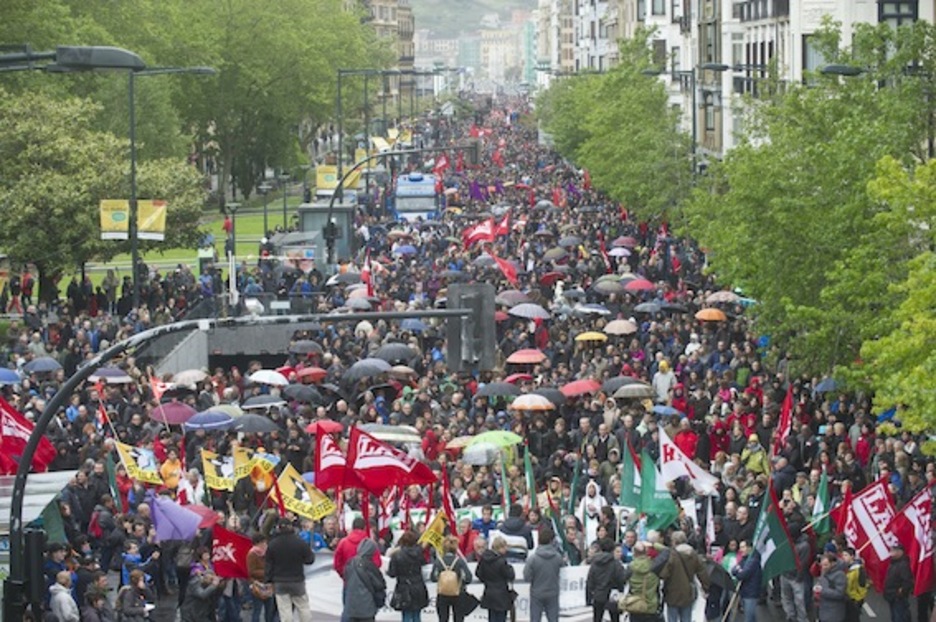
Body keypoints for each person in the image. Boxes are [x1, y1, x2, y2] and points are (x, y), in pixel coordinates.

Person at [266, 518, 315, 622]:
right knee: (303, 607)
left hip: (279, 581)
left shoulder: (273, 544)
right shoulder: (300, 542)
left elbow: (268, 565)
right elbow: (310, 560)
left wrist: (268, 581)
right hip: (297, 580)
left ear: (278, 528)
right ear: (291, 527)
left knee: (285, 610)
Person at [336, 516, 383, 620]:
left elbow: (337, 563)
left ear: (352, 527)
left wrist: (345, 576)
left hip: (349, 583)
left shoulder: (343, 542)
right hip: (367, 584)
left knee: (348, 611)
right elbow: (377, 563)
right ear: (364, 527)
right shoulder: (370, 543)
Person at [661, 531, 709, 622]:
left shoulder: (672, 555)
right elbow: (702, 572)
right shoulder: (693, 554)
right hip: (688, 591)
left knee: (672, 618)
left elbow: (664, 574)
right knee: (686, 618)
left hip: (672, 592)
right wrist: (706, 586)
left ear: (674, 541)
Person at [524, 526, 565, 622]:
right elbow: (563, 571)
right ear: (552, 541)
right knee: (553, 619)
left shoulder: (532, 559)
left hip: (537, 592)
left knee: (535, 618)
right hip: (553, 591)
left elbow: (527, 577)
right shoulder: (558, 558)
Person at [387, 530, 430, 622]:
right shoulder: (419, 554)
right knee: (417, 615)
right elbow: (425, 563)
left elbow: (392, 573)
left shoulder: (397, 555)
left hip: (404, 587)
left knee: (406, 615)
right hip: (418, 586)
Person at [621, 542, 667, 622]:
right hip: (652, 606)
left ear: (634, 553)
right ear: (646, 552)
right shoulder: (654, 565)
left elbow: (622, 579)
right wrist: (653, 544)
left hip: (635, 605)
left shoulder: (630, 568)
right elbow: (666, 551)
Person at [343, 538, 387, 622]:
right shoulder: (370, 566)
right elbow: (379, 584)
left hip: (351, 606)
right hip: (367, 605)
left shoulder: (350, 563)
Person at [431, 535, 473, 622]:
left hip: (442, 594)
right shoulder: (460, 561)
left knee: (443, 619)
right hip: (459, 593)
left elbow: (433, 578)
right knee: (458, 619)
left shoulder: (438, 562)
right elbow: (468, 578)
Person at [476, 536, 516, 622]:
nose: (506, 549)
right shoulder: (501, 561)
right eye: (505, 547)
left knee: (492, 617)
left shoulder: (484, 559)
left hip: (489, 591)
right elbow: (510, 575)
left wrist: (486, 581)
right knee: (501, 618)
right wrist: (510, 568)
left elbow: (478, 573)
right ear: (500, 547)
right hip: (501, 593)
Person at [586, 538, 626, 622]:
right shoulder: (616, 564)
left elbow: (590, 580)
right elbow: (621, 579)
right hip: (612, 595)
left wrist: (589, 598)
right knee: (615, 619)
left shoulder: (595, 563)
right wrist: (621, 591)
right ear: (613, 549)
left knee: (597, 619)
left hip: (598, 594)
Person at [247, 533, 277, 622]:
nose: (265, 544)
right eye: (263, 542)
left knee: (269, 611)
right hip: (257, 585)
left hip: (269, 585)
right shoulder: (252, 554)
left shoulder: (267, 553)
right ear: (258, 543)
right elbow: (251, 571)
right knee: (257, 610)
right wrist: (267, 573)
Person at [731, 541, 762, 622]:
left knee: (749, 618)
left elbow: (742, 575)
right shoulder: (745, 559)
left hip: (750, 593)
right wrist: (739, 570)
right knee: (751, 617)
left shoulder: (753, 561)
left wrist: (739, 571)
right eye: (740, 547)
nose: (741, 550)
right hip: (745, 592)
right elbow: (733, 570)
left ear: (749, 548)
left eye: (743, 547)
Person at [883, 544, 914, 622]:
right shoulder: (893, 563)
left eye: (893, 550)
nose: (891, 552)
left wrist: (901, 592)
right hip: (892, 595)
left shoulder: (903, 565)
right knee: (895, 617)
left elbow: (907, 581)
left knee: (899, 617)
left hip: (898, 597)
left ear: (900, 552)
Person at [815, 552, 847, 622]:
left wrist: (822, 591)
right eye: (822, 565)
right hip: (823, 610)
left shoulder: (840, 575)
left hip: (834, 614)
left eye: (826, 565)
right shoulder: (825, 571)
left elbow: (840, 594)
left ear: (833, 563)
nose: (823, 567)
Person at [841, 547, 868, 622]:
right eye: (843, 555)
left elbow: (863, 585)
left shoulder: (858, 569)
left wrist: (858, 599)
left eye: (846, 555)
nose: (843, 557)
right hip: (846, 599)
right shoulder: (845, 567)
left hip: (854, 600)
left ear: (852, 556)